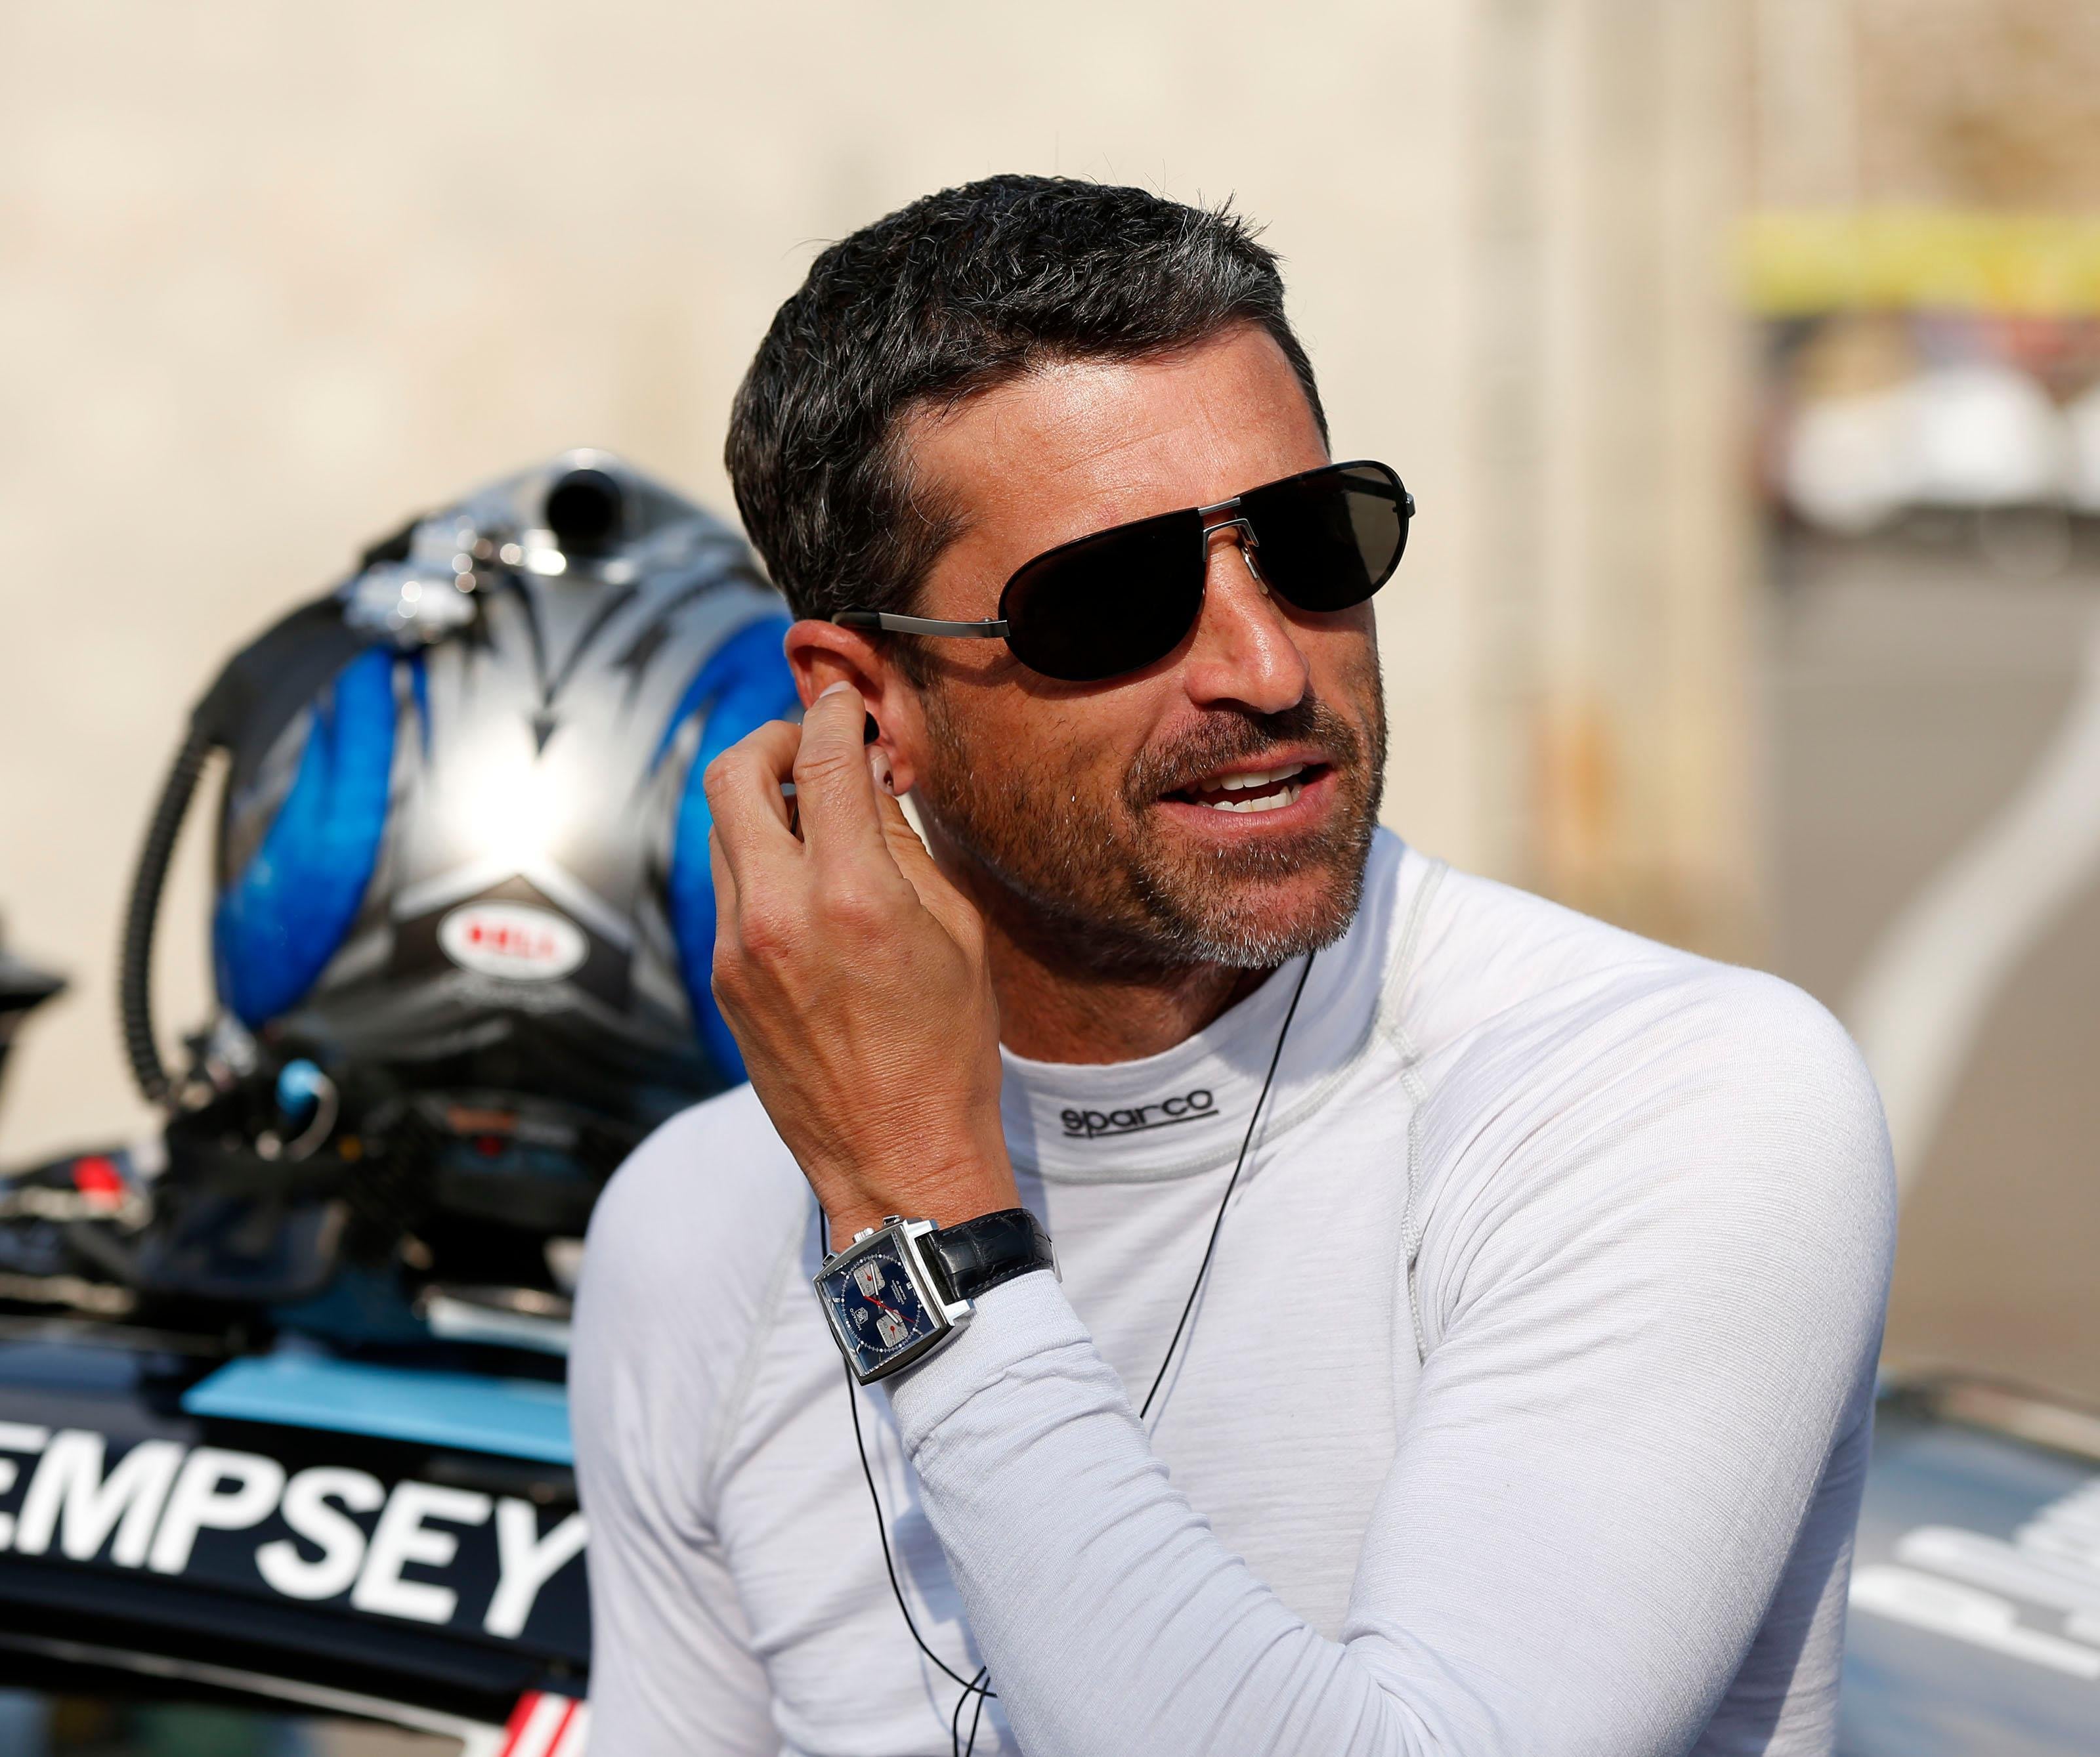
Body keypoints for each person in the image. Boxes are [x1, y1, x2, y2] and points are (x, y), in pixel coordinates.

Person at [566, 176, 1894, 1756]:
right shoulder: (700, 1223)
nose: (1265, 667)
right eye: (1113, 600)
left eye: (1311, 543)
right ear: (869, 703)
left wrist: (920, 1224)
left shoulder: (1671, 1098)